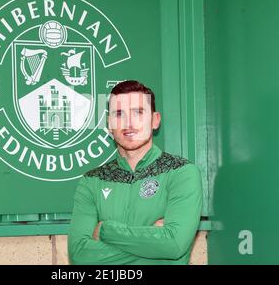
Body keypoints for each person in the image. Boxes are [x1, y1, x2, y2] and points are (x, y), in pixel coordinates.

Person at [68, 80, 203, 265]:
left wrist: (105, 231)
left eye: (138, 112)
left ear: (155, 120)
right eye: (118, 114)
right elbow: (80, 256)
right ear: (109, 123)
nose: (128, 123)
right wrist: (154, 243)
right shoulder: (92, 180)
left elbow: (174, 244)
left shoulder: (181, 172)